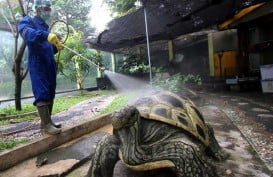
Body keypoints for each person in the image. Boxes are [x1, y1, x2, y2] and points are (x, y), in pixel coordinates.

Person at [18, 0, 64, 135]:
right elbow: (28, 35)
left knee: (50, 92)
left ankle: (46, 122)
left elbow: (47, 47)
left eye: (49, 9)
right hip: (38, 64)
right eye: (46, 8)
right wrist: (45, 35)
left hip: (49, 64)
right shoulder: (28, 21)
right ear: (38, 9)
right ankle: (47, 125)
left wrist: (56, 47)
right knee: (42, 92)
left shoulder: (46, 26)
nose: (48, 11)